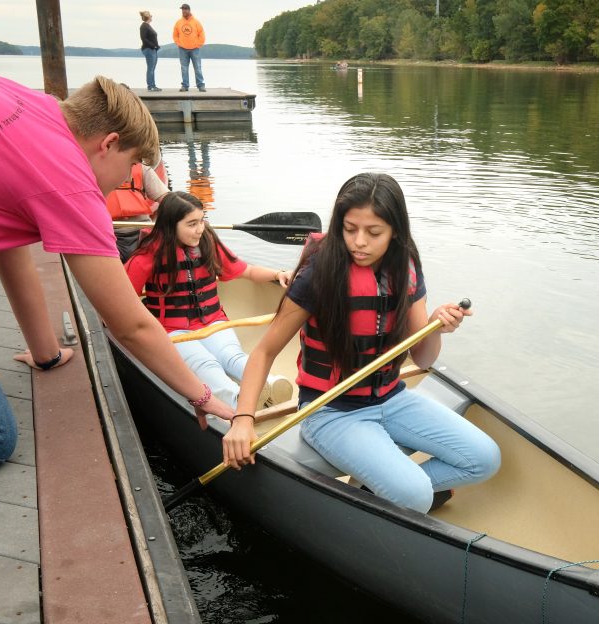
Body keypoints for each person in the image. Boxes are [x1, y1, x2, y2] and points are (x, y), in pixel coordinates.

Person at [0, 70, 233, 477]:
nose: (129, 179)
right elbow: (132, 327)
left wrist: (46, 355)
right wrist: (202, 395)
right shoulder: (71, 183)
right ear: (109, 144)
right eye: (133, 163)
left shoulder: (26, 98)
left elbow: (7, 236)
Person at [223, 173, 501, 513]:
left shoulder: (406, 266)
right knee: (415, 495)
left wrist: (434, 329)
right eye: (350, 228)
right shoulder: (319, 274)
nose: (359, 242)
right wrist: (243, 419)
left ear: (395, 231)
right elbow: (264, 352)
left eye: (373, 232)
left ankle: (377, 490)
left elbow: (424, 360)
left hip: (392, 398)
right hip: (329, 412)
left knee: (484, 458)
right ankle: (400, 493)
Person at [124, 191, 293, 409]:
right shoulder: (147, 256)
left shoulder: (207, 243)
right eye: (192, 224)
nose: (200, 229)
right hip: (172, 331)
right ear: (171, 225)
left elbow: (247, 271)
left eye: (202, 220)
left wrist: (277, 274)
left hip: (213, 321)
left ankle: (270, 383)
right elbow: (123, 298)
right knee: (207, 364)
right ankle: (236, 399)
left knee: (232, 357)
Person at [107, 161, 170, 262]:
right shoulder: (92, 169)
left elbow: (166, 198)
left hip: (142, 232)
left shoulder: (142, 168)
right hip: (109, 233)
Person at [173, 3, 205, 92]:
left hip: (195, 49)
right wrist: (178, 43)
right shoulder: (178, 22)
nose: (183, 11)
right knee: (184, 68)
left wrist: (198, 44)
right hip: (182, 49)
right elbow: (175, 35)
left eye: (185, 9)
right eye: (182, 9)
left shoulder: (196, 22)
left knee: (197, 67)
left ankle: (201, 85)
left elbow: (201, 34)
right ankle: (185, 86)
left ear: (189, 10)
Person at [139, 10, 161, 92]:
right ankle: (150, 86)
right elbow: (143, 39)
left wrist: (157, 46)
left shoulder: (148, 25)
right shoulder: (144, 26)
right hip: (148, 49)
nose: (152, 17)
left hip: (153, 50)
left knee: (152, 68)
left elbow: (151, 38)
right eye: (151, 16)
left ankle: (153, 85)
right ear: (148, 17)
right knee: (150, 68)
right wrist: (153, 46)